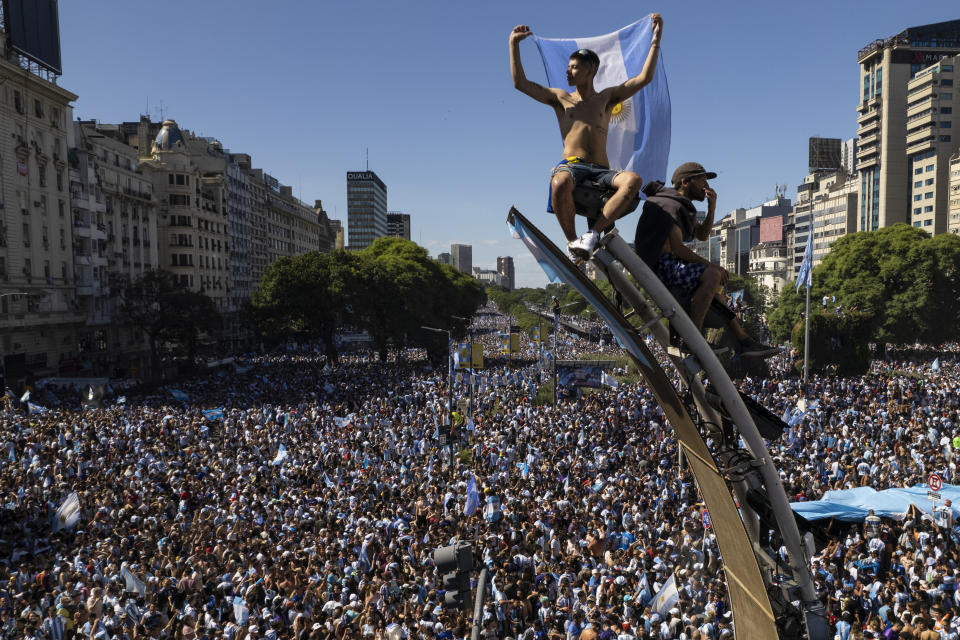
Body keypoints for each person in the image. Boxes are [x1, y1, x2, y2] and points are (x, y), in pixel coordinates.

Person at [509, 16, 663, 259]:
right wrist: (514, 44)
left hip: (601, 170)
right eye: (568, 66)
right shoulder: (560, 98)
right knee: (558, 182)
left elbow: (644, 78)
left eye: (574, 67)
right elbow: (520, 83)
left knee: (633, 180)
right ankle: (572, 243)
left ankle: (591, 235)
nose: (567, 71)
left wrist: (655, 40)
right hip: (572, 166)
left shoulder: (606, 98)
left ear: (590, 70)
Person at [632, 162, 780, 357]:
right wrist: (711, 266)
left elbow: (701, 235)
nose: (706, 185)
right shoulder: (669, 204)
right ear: (685, 182)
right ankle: (692, 339)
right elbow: (676, 247)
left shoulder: (680, 205)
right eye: (702, 179)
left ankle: (743, 340)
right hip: (659, 266)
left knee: (717, 293)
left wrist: (712, 208)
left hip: (668, 265)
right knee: (711, 275)